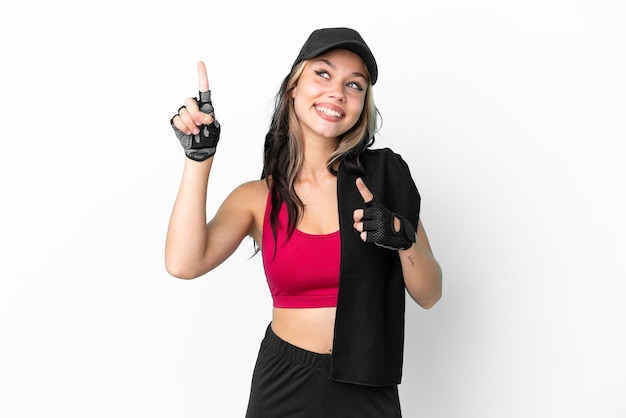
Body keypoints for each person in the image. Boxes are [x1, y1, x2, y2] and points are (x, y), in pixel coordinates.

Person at [165, 27, 442, 417]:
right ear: (294, 87)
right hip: (284, 379)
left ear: (363, 104)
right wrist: (199, 161)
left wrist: (402, 240)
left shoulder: (382, 181)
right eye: (323, 74)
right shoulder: (257, 196)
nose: (337, 92)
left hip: (368, 382)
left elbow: (430, 294)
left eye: (355, 85)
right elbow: (183, 263)